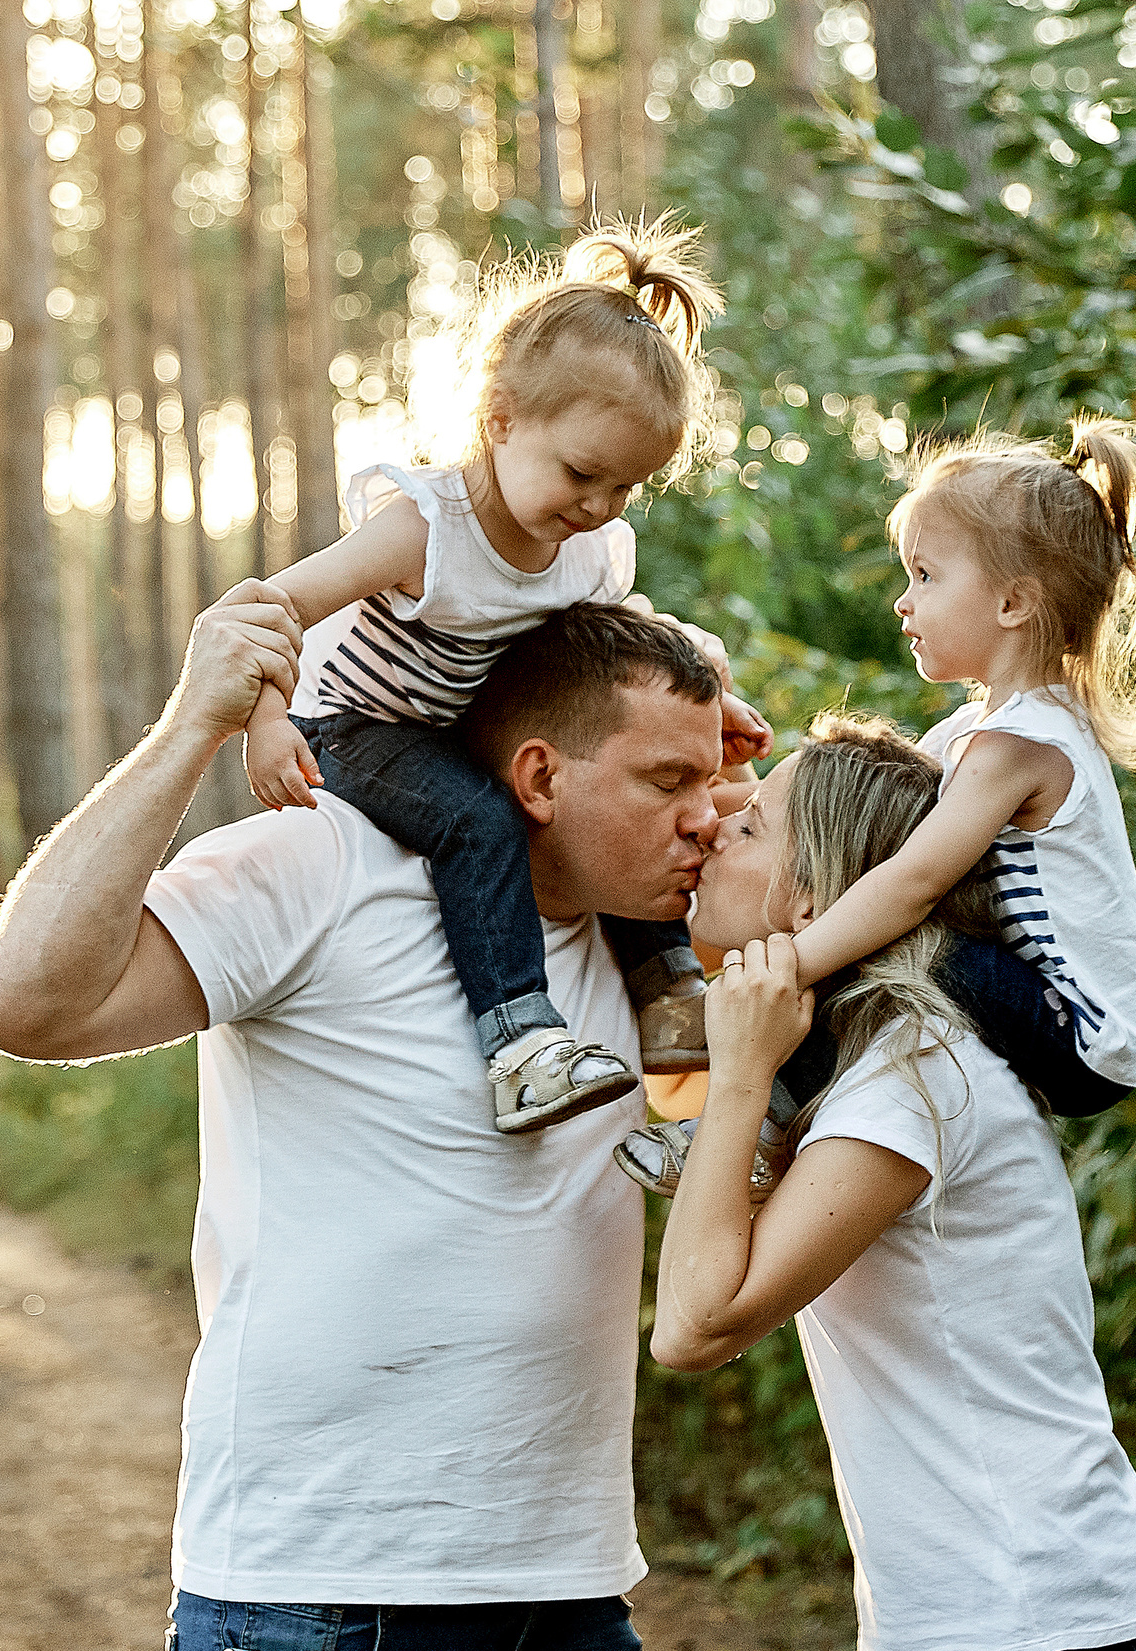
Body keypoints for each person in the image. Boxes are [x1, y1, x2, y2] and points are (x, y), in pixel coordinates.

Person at [0, 594, 731, 1651]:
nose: (704, 816)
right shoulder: (327, 864)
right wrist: (191, 727)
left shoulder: (651, 951)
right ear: (539, 776)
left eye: (710, 783)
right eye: (668, 783)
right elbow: (22, 1004)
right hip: (324, 1612)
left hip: (569, 1607)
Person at [650, 713, 1136, 1651]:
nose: (714, 837)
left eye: (750, 830)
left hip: (1047, 1637)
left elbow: (694, 1326)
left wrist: (740, 1075)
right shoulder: (874, 1062)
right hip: (1008, 1634)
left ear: (816, 890)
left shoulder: (911, 1079)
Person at [241, 219, 770, 1136]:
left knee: (614, 819)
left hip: (465, 725)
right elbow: (270, 607)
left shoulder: (591, 547)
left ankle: (671, 991)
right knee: (478, 820)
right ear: (501, 418)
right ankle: (521, 1041)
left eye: (626, 489)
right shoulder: (425, 528)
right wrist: (265, 719)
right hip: (356, 724)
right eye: (581, 473)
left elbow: (618, 648)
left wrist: (711, 705)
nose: (599, 506)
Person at [618, 419, 1136, 1200]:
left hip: (1077, 1034)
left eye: (925, 575)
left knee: (879, 945)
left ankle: (751, 1132)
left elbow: (910, 881)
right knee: (873, 931)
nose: (902, 600)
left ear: (1014, 602)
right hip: (1039, 1002)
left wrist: (797, 962)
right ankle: (746, 1106)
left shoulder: (1026, 742)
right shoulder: (982, 732)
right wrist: (702, 777)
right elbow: (826, 816)